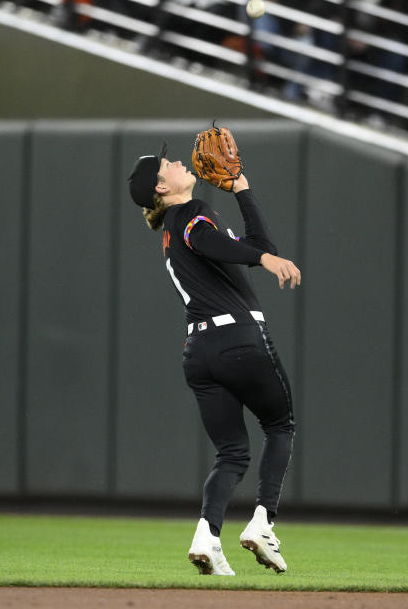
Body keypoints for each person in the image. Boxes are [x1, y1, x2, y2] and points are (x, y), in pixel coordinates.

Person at [127, 142, 301, 576]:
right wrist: (265, 258)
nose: (178, 161)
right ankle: (263, 522)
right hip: (239, 338)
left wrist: (242, 188)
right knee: (280, 425)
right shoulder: (190, 216)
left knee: (232, 453)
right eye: (167, 164)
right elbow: (211, 241)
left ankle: (207, 535)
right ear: (161, 187)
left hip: (199, 353)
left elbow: (259, 243)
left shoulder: (176, 222)